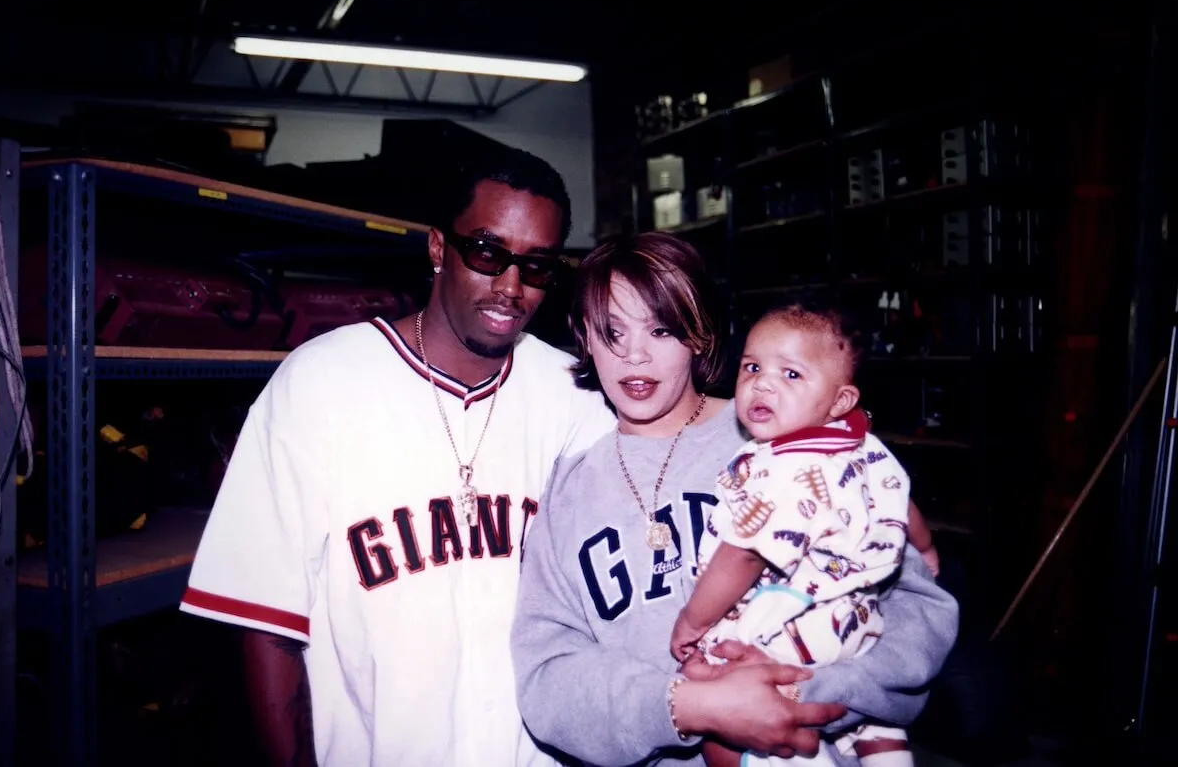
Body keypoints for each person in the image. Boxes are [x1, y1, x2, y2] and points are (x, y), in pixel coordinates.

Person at [178, 145, 618, 767]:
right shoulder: (320, 383)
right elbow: (265, 626)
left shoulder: (576, 396)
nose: (511, 287)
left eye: (537, 266)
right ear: (439, 248)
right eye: (488, 253)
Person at [511, 232, 959, 767]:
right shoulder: (569, 486)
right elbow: (548, 678)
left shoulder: (789, 435)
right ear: (584, 335)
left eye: (661, 329)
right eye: (612, 331)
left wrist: (800, 695)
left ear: (698, 333)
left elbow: (917, 608)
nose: (634, 354)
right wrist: (691, 707)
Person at [669, 300, 936, 767]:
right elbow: (898, 497)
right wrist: (926, 549)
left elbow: (744, 555)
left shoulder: (785, 468)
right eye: (752, 366)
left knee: (713, 689)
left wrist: (694, 620)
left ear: (840, 400)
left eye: (791, 374)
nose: (762, 383)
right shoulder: (861, 444)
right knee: (868, 718)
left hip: (794, 624)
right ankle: (882, 747)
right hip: (858, 624)